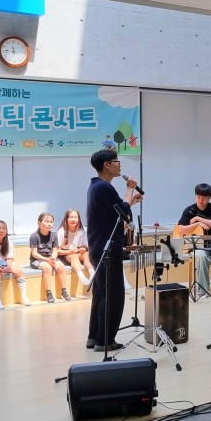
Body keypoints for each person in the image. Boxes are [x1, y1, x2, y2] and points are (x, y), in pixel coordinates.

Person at [86, 148, 141, 352]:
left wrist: (130, 201)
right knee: (113, 296)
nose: (120, 165)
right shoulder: (104, 187)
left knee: (101, 294)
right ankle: (105, 341)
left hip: (99, 247)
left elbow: (116, 212)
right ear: (106, 165)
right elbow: (123, 211)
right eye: (116, 161)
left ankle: (94, 337)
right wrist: (130, 189)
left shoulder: (96, 187)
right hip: (108, 250)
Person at [0, 219, 31, 307]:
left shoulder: (9, 242)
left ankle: (23, 296)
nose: (2, 230)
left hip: (4, 262)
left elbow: (9, 257)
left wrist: (8, 266)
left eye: (4, 228)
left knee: (19, 270)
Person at [29, 212, 70, 303]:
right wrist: (47, 260)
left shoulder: (54, 235)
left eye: (51, 222)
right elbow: (34, 253)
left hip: (50, 258)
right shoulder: (34, 236)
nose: (49, 224)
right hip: (37, 260)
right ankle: (49, 293)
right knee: (47, 267)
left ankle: (64, 290)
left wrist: (53, 258)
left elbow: (55, 250)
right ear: (39, 223)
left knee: (61, 266)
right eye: (47, 221)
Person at [56, 209, 94, 287]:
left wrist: (83, 249)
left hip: (77, 252)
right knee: (73, 256)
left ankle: (92, 273)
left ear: (79, 219)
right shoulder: (61, 232)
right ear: (66, 219)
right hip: (64, 255)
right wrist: (69, 252)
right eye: (71, 217)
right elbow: (56, 251)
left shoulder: (81, 231)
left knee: (86, 254)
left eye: (75, 217)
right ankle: (81, 277)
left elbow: (84, 246)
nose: (73, 219)